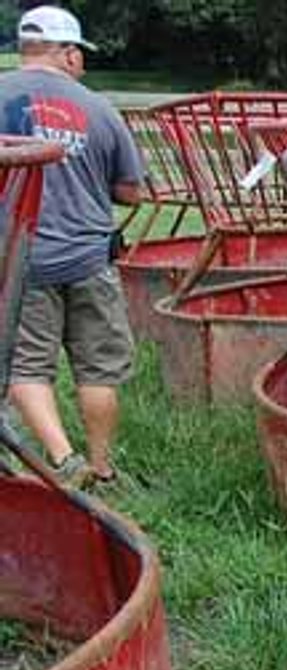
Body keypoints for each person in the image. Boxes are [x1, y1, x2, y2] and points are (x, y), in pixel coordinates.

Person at [0, 6, 143, 491]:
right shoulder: (99, 108)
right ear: (66, 52)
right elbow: (131, 191)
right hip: (88, 258)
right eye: (79, 52)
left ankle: (62, 459)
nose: (81, 60)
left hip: (19, 262)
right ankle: (101, 468)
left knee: (24, 365)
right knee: (98, 366)